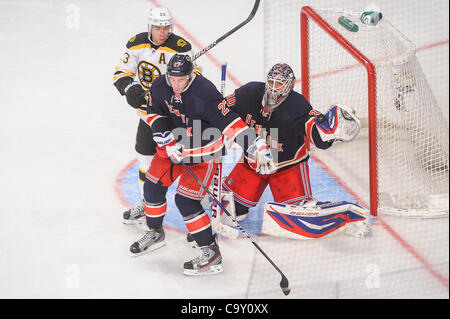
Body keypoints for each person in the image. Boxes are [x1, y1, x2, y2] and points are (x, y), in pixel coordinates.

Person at [129, 54, 275, 275]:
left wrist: (254, 145)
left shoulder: (205, 93)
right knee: (152, 187)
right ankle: (155, 231)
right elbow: (154, 113)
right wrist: (164, 138)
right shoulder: (160, 85)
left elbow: (231, 124)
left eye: (181, 80)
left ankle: (210, 251)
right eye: (173, 79)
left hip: (203, 152)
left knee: (186, 201)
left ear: (191, 75)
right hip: (173, 147)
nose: (176, 85)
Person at [218, 63, 367, 237]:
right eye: (271, 82)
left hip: (287, 167)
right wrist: (222, 126)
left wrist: (329, 134)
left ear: (289, 85)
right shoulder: (250, 93)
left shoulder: (298, 105)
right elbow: (221, 109)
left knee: (297, 215)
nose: (274, 89)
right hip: (253, 163)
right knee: (232, 210)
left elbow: (318, 137)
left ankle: (346, 217)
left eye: (279, 84)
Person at [113, 7, 201, 224]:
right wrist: (130, 89)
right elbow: (120, 74)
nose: (162, 32)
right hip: (147, 117)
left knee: (187, 160)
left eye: (165, 28)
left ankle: (199, 200)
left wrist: (176, 93)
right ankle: (147, 203)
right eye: (157, 28)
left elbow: (196, 77)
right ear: (149, 27)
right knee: (144, 158)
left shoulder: (181, 48)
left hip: (173, 119)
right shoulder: (136, 44)